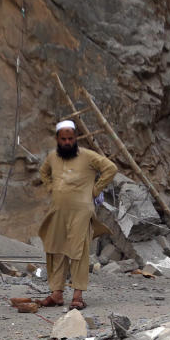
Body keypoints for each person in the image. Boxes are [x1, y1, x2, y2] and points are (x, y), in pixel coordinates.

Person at [36, 120, 117, 310]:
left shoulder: (88, 156)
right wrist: (50, 187)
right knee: (56, 250)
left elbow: (111, 168)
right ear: (57, 139)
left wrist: (95, 190)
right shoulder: (52, 157)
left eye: (70, 139)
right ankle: (56, 293)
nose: (66, 142)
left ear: (76, 139)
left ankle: (77, 295)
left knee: (78, 251)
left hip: (81, 211)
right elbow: (43, 172)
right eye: (63, 139)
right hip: (58, 211)